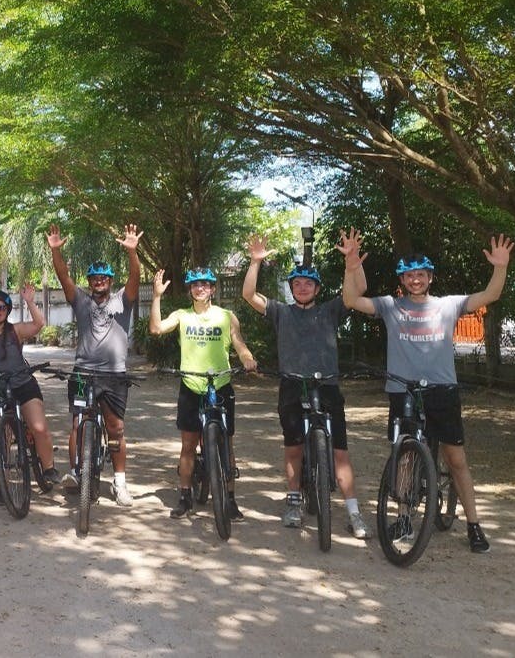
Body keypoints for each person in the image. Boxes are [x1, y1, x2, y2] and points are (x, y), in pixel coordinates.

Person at [341, 229, 513, 554]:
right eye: (409, 275)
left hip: (442, 391)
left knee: (456, 459)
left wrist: (500, 267)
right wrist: (351, 267)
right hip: (402, 391)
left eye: (421, 274)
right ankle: (405, 519)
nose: (415, 280)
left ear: (430, 277)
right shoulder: (390, 306)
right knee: (406, 457)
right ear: (402, 280)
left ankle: (474, 525)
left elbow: (490, 294)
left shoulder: (448, 305)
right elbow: (351, 300)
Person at [241, 234, 371, 539]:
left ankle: (354, 512)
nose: (302, 287)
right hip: (292, 385)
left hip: (327, 385)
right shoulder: (281, 312)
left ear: (317, 289)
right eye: (297, 283)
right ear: (291, 288)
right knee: (294, 448)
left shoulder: (330, 310)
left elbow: (358, 291)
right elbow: (249, 295)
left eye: (308, 283)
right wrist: (255, 262)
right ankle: (294, 499)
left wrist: (351, 262)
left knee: (340, 453)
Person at [150, 265, 257, 521]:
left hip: (220, 385)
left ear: (212, 289)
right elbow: (156, 329)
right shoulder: (182, 315)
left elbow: (239, 343)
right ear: (190, 290)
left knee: (227, 444)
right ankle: (185, 497)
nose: (200, 288)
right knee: (188, 445)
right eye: (196, 285)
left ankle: (230, 499)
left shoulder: (226, 316)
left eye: (205, 284)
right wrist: (156, 296)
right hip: (191, 385)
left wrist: (247, 359)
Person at [47, 223, 142, 505]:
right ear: (89, 282)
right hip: (82, 373)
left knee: (116, 428)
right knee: (78, 423)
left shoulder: (123, 300)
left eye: (104, 278)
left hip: (114, 376)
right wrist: (55, 251)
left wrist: (132, 252)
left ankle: (119, 482)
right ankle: (76, 472)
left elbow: (135, 277)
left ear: (110, 281)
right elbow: (63, 276)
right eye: (94, 278)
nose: (99, 281)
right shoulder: (81, 301)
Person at [0, 285, 62, 502]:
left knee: (38, 427)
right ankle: (4, 486)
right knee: (2, 439)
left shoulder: (15, 331)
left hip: (22, 384)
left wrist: (30, 301)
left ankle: (48, 468)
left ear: (7, 311)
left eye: (2, 308)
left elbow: (39, 324)